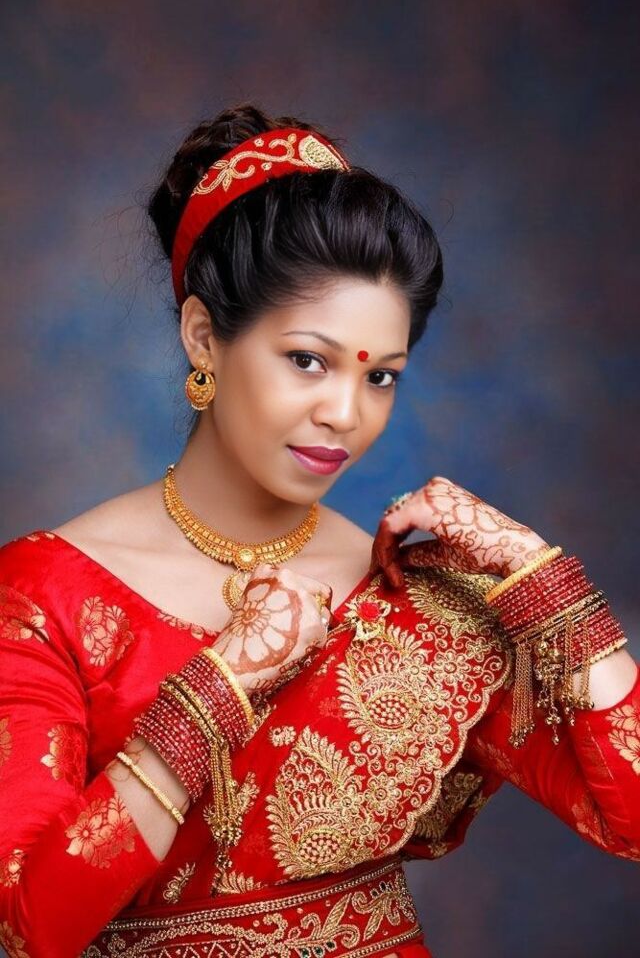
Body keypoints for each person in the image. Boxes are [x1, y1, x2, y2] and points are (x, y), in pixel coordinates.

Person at [0, 102, 638, 958]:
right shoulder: (44, 596)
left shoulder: (415, 592)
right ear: (204, 337)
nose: (346, 413)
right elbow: (33, 926)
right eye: (308, 360)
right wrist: (220, 685)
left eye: (381, 376)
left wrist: (546, 583)